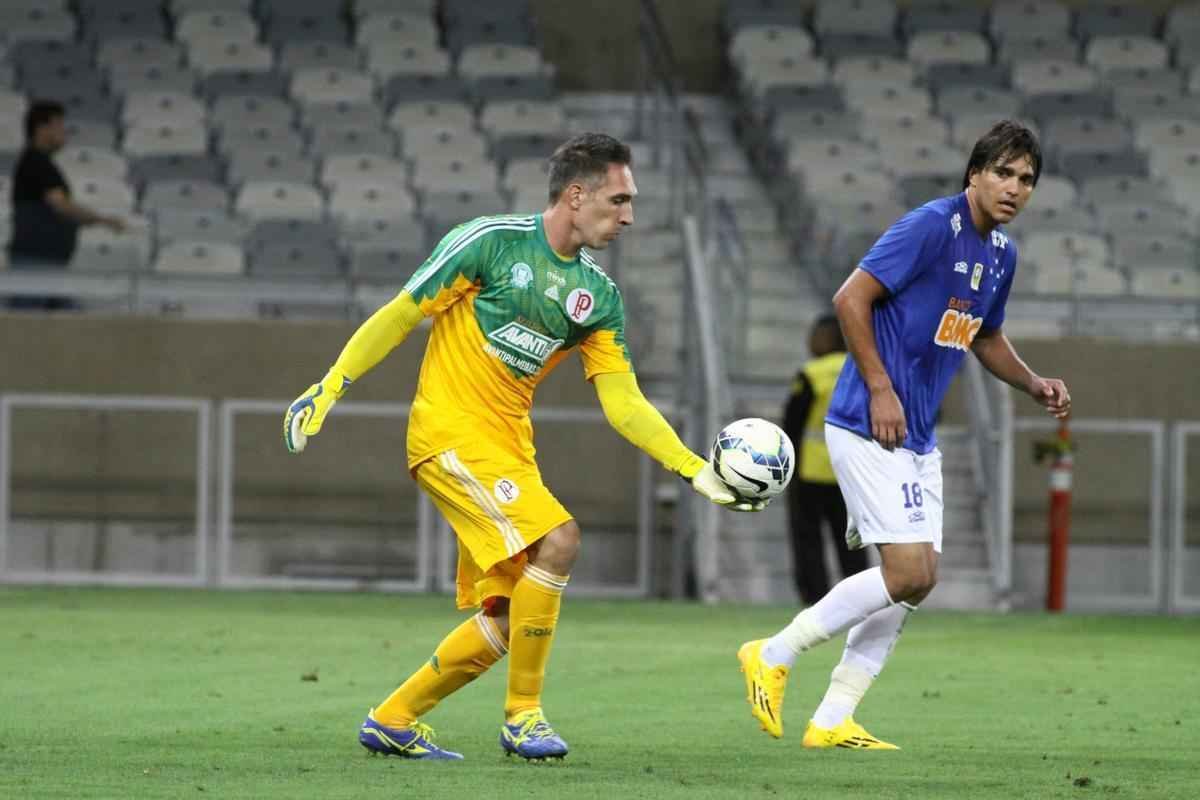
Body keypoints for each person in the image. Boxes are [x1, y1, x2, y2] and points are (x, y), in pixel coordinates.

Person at [283, 133, 763, 761]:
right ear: (576, 194)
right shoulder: (490, 242)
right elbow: (403, 313)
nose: (629, 217)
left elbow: (623, 402)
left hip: (509, 451)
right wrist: (330, 385)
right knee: (560, 539)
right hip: (450, 434)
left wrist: (693, 467)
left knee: (511, 616)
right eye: (618, 200)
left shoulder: (600, 299)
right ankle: (523, 717)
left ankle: (393, 719)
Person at [738, 120, 1071, 749]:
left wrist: (1031, 382)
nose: (1015, 188)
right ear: (974, 174)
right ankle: (773, 652)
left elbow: (986, 336)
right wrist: (882, 386)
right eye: (1004, 172)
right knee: (907, 569)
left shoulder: (1002, 255)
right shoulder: (930, 226)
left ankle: (834, 716)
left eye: (1026, 179)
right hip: (869, 420)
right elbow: (849, 298)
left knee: (920, 577)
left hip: (918, 436)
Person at [781, 314, 868, 605]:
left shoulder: (811, 374)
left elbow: (791, 424)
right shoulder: (862, 369)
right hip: (851, 471)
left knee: (808, 541)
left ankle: (815, 600)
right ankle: (859, 599)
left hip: (810, 471)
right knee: (853, 541)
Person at [7, 100, 125, 309]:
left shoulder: (39, 162)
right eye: (59, 125)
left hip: (50, 265)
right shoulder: (36, 162)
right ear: (43, 128)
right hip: (35, 264)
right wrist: (101, 219)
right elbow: (60, 205)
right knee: (26, 329)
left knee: (68, 324)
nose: (64, 132)